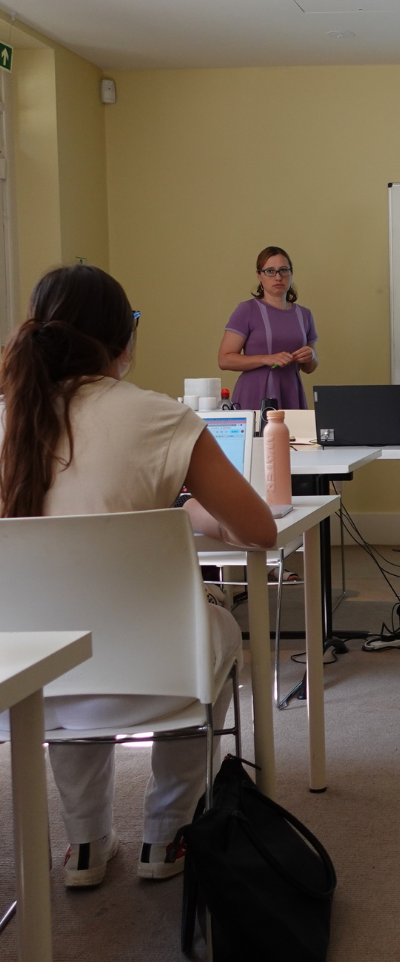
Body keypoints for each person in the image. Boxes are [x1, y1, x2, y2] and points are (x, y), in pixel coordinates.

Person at [0, 264, 276, 888]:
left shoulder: (9, 417)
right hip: (161, 678)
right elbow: (259, 529)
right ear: (123, 336)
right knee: (218, 628)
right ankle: (167, 833)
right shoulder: (159, 418)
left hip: (29, 681)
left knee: (66, 639)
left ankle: (87, 847)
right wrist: (191, 513)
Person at [218, 246, 318, 410]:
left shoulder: (304, 314)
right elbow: (224, 359)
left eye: (283, 270)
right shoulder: (247, 310)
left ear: (291, 273)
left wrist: (311, 356)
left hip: (291, 392)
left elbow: (310, 368)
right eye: (270, 271)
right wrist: (266, 359)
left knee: (294, 435)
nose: (278, 277)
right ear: (259, 275)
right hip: (255, 394)